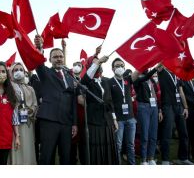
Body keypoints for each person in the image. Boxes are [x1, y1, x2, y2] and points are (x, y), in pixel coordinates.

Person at [34, 35, 77, 165]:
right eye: (55, 57)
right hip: (49, 122)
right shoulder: (46, 73)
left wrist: (74, 123)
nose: (59, 59)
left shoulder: (70, 77)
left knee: (66, 157)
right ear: (50, 60)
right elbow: (39, 64)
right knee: (47, 156)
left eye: (60, 56)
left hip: (66, 123)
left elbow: (73, 102)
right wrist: (40, 48)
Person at [81, 55, 118, 165]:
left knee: (108, 149)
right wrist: (98, 61)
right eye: (95, 63)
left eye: (99, 63)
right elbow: (84, 81)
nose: (98, 65)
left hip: (107, 121)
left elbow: (110, 101)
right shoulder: (87, 81)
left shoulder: (105, 81)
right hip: (94, 121)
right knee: (96, 150)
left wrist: (114, 119)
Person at [157, 66, 194, 165]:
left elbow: (181, 92)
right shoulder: (162, 71)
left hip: (179, 106)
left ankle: (183, 158)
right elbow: (158, 66)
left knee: (184, 133)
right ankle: (165, 160)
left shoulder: (177, 73)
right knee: (167, 134)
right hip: (167, 106)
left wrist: (185, 107)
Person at [108, 58, 138, 165]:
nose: (120, 67)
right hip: (118, 120)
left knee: (131, 145)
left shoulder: (127, 80)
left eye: (121, 65)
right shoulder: (109, 82)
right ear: (112, 68)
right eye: (117, 66)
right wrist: (114, 118)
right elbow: (109, 101)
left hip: (130, 118)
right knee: (118, 145)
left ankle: (132, 164)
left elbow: (138, 71)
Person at [8, 62, 38, 165]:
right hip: (14, 123)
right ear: (11, 72)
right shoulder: (9, 87)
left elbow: (35, 104)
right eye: (15, 70)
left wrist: (31, 110)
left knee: (27, 147)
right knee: (16, 147)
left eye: (21, 70)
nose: (19, 72)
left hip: (27, 123)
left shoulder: (30, 88)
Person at [133, 64, 162, 165]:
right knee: (145, 135)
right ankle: (144, 159)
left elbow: (156, 95)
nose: (146, 69)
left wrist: (159, 110)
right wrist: (155, 69)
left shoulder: (152, 81)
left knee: (153, 135)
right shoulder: (137, 80)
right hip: (143, 107)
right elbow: (146, 76)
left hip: (154, 107)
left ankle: (151, 158)